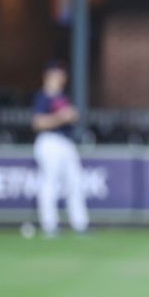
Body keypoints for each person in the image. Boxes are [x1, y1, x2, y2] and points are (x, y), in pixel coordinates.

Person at [31, 61, 89, 237]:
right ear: (48, 76)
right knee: (50, 183)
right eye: (57, 74)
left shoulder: (62, 97)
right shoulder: (43, 96)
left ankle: (80, 225)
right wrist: (61, 117)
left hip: (65, 142)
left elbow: (70, 116)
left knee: (75, 182)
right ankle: (50, 225)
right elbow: (38, 123)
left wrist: (70, 116)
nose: (61, 78)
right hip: (49, 141)